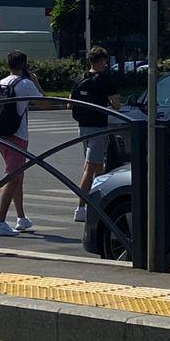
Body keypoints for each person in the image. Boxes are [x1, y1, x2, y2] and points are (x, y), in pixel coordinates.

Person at [0, 50, 42, 236]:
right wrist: (35, 81)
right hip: (18, 134)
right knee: (12, 176)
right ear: (24, 65)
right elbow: (44, 102)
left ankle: (21, 218)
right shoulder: (25, 84)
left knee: (17, 176)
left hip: (0, 134)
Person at [71, 46, 121, 223]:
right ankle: (81, 208)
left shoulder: (80, 78)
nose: (106, 64)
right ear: (100, 61)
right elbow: (117, 105)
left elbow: (70, 104)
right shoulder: (105, 79)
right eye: (105, 61)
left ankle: (101, 203)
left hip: (82, 126)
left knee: (98, 166)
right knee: (90, 167)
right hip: (98, 126)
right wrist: (107, 104)